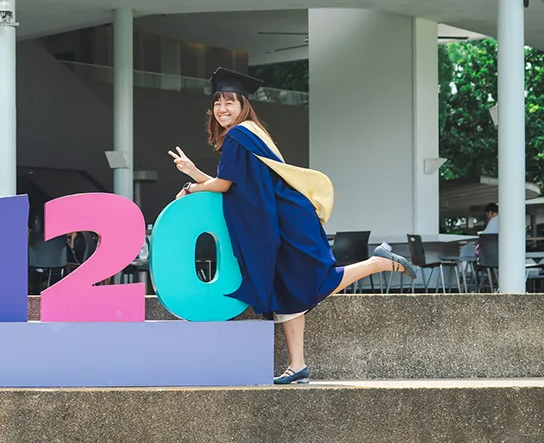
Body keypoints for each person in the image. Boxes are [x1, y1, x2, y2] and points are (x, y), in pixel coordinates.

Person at [167, 68, 416, 385]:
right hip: (285, 217)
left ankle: (378, 262)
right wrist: (195, 173)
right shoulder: (252, 132)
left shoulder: (239, 135)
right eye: (217, 103)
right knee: (286, 289)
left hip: (285, 221)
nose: (222, 109)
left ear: (243, 104)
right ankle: (297, 365)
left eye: (229, 101)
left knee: (313, 283)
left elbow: (225, 185)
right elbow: (234, 184)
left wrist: (191, 186)